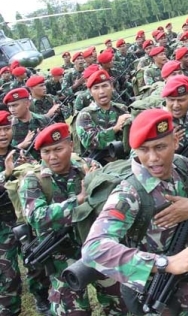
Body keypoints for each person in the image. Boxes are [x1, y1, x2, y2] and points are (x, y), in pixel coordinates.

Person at [81, 109, 188, 315]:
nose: (153, 158)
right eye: (144, 149)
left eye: (160, 147)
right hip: (169, 293)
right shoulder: (130, 193)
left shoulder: (182, 166)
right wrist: (164, 263)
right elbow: (93, 249)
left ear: (174, 141)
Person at [19, 123, 126, 315]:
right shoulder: (34, 180)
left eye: (58, 149)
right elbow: (37, 217)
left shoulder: (88, 167)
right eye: (46, 152)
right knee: (73, 311)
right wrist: (78, 201)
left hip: (97, 247)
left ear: (70, 145)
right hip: (62, 257)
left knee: (118, 304)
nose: (52, 157)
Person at [0, 110, 51, 315]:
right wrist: (7, 174)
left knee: (36, 261)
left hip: (24, 219)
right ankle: (10, 309)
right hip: (2, 224)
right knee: (7, 275)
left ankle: (42, 299)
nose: (3, 134)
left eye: (5, 129)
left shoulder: (19, 154)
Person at [75, 70, 131, 161]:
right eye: (96, 88)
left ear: (111, 87)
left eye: (105, 86)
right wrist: (115, 128)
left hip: (125, 157)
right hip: (99, 163)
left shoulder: (121, 109)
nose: (101, 91)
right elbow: (90, 142)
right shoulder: (85, 115)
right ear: (90, 92)